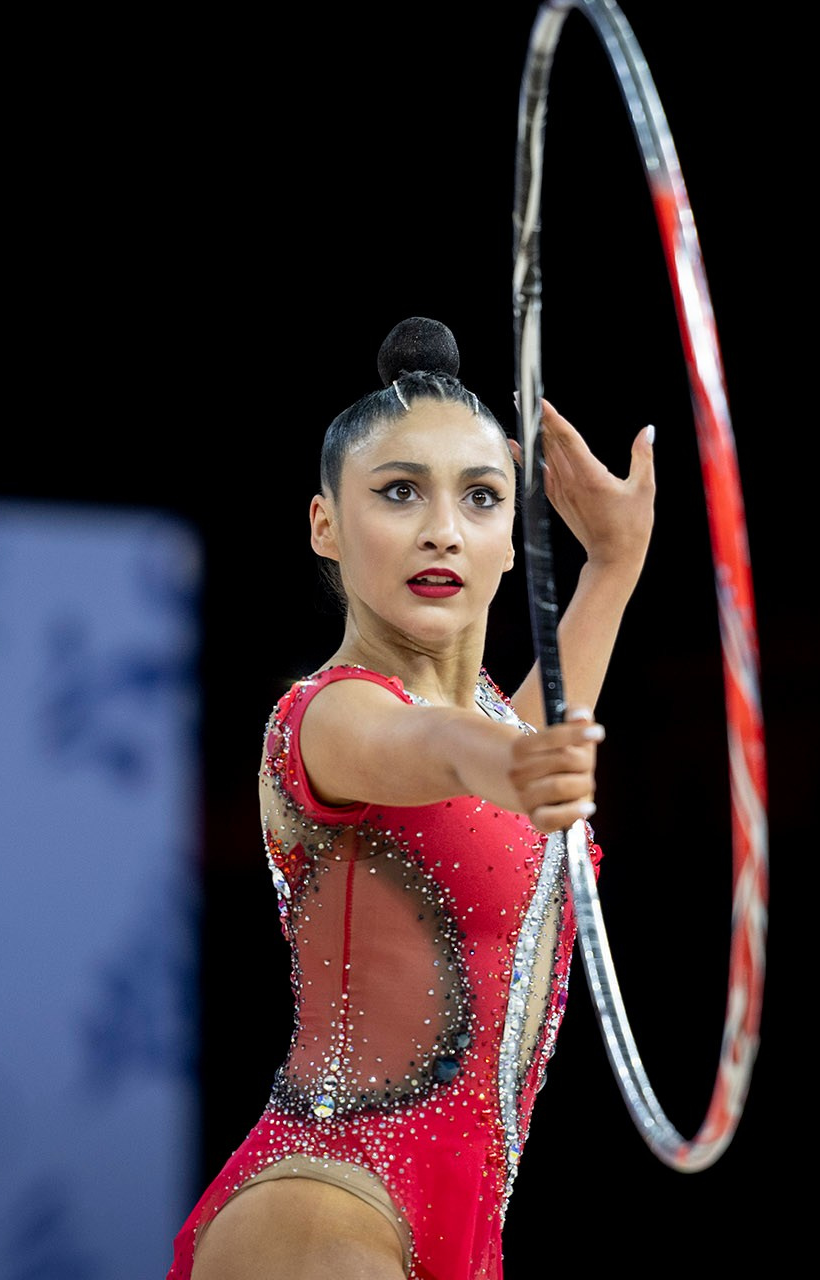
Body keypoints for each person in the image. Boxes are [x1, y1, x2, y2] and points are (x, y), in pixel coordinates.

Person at [168, 316, 656, 1280]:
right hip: (324, 1205)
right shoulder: (328, 716)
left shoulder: (499, 719)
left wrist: (615, 562)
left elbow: (515, 740)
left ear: (511, 541)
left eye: (481, 496)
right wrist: (510, 766)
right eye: (399, 492)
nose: (443, 528)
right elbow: (441, 749)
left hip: (462, 1223)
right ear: (325, 526)